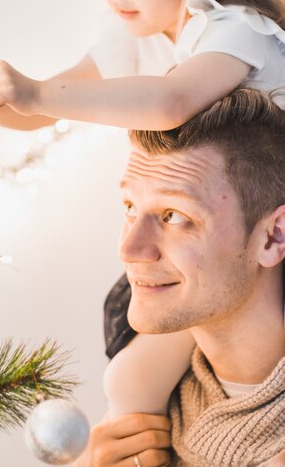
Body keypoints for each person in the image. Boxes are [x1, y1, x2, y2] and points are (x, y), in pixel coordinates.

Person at [0, 0, 285, 420]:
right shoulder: (138, 39)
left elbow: (171, 102)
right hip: (224, 253)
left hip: (266, 235)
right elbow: (43, 107)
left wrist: (32, 90)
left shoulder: (242, 32)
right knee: (130, 384)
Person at [75, 87, 285, 467]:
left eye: (174, 215)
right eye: (130, 207)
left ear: (273, 237)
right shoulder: (137, 414)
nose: (129, 249)